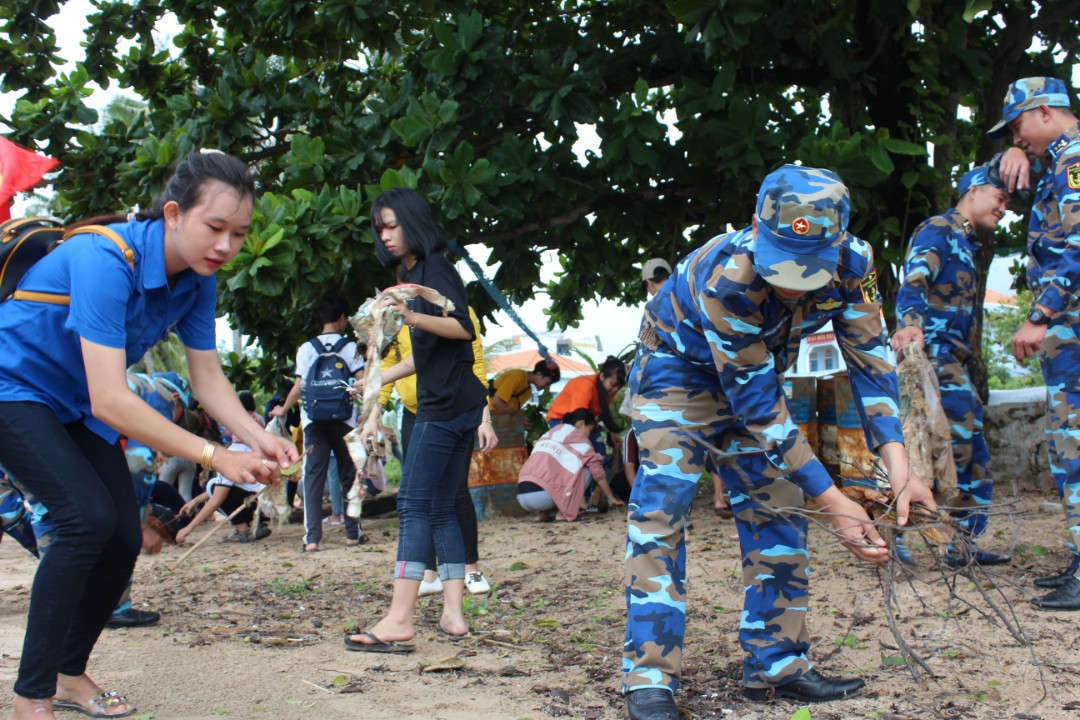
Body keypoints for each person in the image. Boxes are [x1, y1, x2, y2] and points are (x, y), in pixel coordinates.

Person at [621, 164, 937, 719]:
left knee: (778, 510)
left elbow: (871, 366)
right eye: (783, 266)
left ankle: (776, 665)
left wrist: (900, 467)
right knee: (661, 515)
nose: (793, 283)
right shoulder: (728, 277)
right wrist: (837, 503)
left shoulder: (855, 265)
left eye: (809, 270)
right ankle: (649, 676)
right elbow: (761, 411)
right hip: (678, 374)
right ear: (753, 226)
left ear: (838, 242)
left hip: (757, 376)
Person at [0, 150, 297, 720]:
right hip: (13, 389)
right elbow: (114, 398)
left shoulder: (197, 282)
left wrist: (257, 438)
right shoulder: (103, 258)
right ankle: (29, 697)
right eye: (214, 228)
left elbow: (207, 380)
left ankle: (67, 675)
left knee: (122, 537)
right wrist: (216, 456)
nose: (226, 247)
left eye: (239, 234)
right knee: (84, 519)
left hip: (71, 404)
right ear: (172, 214)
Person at [346, 187, 496, 653]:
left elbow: (463, 329)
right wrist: (378, 378)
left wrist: (409, 314)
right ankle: (452, 615)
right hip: (458, 403)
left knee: (412, 504)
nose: (386, 236)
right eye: (380, 229)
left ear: (413, 221)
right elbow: (430, 354)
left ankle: (398, 618)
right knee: (441, 506)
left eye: (392, 225)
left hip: (445, 408)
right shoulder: (411, 273)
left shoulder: (434, 269)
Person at [890, 163, 1013, 568]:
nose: (1004, 208)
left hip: (956, 365)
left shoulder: (968, 243)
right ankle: (901, 535)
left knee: (972, 453)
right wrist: (909, 327)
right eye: (1000, 198)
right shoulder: (938, 230)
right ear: (974, 190)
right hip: (935, 360)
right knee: (935, 451)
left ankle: (961, 546)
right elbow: (914, 282)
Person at [987, 76, 1080, 611]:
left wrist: (1042, 313)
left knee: (1074, 445)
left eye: (1018, 125)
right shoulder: (1060, 160)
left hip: (1070, 322)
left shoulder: (1072, 161)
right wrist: (1011, 153)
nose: (1018, 137)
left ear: (1043, 112)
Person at [380, 306, 496, 597]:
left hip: (453, 411)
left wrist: (484, 418)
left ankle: (471, 569)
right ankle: (429, 573)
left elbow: (476, 364)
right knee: (418, 497)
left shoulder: (460, 311)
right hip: (413, 412)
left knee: (454, 492)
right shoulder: (397, 313)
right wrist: (374, 411)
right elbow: (388, 363)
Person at [271, 294, 365, 552]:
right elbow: (362, 379)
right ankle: (353, 534)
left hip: (313, 421)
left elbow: (299, 386)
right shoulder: (350, 347)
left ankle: (312, 539)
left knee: (313, 477)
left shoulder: (306, 349)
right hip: (345, 420)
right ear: (341, 318)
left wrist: (283, 409)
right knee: (349, 475)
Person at [516, 408, 624, 522]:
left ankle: (543, 514)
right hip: (544, 496)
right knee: (586, 468)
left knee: (548, 471)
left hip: (522, 495)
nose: (589, 436)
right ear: (581, 424)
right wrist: (611, 498)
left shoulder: (550, 433)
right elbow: (598, 473)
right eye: (589, 430)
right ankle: (562, 514)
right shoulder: (580, 440)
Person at [175, 441, 272, 544]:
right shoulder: (237, 449)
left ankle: (242, 530)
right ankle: (254, 524)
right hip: (263, 498)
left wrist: (188, 528)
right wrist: (195, 501)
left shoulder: (226, 464)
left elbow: (217, 498)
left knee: (213, 487)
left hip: (256, 502)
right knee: (214, 486)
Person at [488, 359, 560, 416]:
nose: (546, 387)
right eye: (547, 383)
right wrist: (520, 418)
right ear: (539, 374)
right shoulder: (517, 376)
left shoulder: (528, 391)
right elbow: (496, 403)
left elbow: (512, 411)